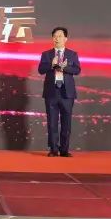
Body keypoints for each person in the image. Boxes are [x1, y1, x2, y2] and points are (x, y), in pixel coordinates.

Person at [38, 26, 81, 157]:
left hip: (67, 93)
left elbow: (77, 70)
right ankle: (53, 149)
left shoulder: (72, 54)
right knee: (52, 122)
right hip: (51, 92)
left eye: (60, 36)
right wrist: (52, 65)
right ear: (52, 38)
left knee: (66, 122)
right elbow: (41, 70)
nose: (57, 39)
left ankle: (64, 150)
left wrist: (64, 67)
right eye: (55, 36)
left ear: (65, 38)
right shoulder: (46, 54)